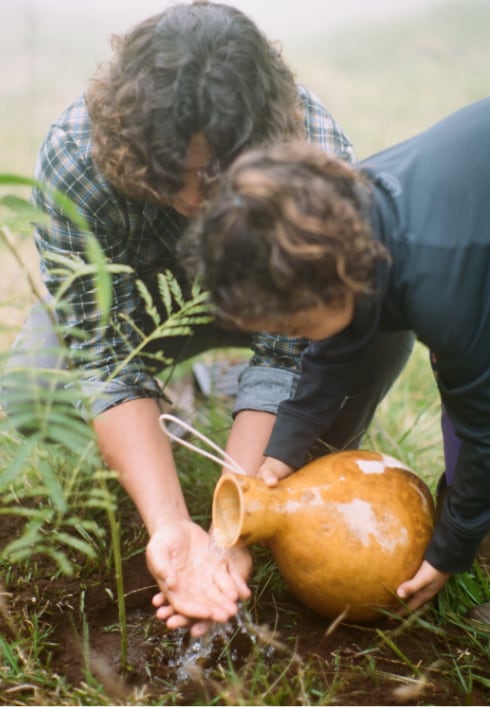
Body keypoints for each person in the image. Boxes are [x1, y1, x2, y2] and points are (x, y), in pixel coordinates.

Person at [2, 3, 414, 636]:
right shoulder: (75, 160)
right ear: (128, 140)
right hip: (148, 310)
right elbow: (104, 353)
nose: (194, 199)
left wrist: (236, 519)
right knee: (30, 382)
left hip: (271, 311)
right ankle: (184, 398)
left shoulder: (313, 155)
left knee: (376, 324)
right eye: (171, 174)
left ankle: (277, 464)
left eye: (217, 175)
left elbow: (288, 353)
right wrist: (170, 524)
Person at [183, 91, 490, 628]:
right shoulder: (345, 226)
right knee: (463, 374)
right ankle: (479, 535)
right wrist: (282, 452)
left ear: (332, 281)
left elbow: (489, 424)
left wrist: (446, 551)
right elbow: (333, 347)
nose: (289, 336)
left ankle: (476, 548)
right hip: (485, 222)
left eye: (290, 324)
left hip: (486, 238)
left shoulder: (442, 287)